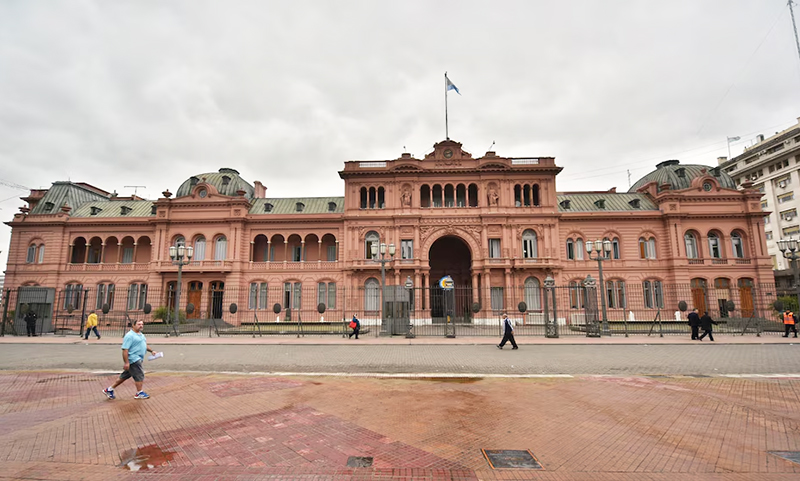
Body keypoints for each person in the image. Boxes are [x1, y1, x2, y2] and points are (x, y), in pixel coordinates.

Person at [103, 319, 156, 400]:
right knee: (139, 375)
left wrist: (152, 351)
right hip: (134, 359)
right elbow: (125, 350)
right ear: (133, 325)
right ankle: (139, 393)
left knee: (124, 376)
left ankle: (109, 389)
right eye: (139, 324)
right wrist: (127, 362)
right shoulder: (129, 336)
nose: (141, 326)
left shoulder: (141, 334)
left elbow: (144, 344)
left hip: (138, 358)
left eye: (142, 324)